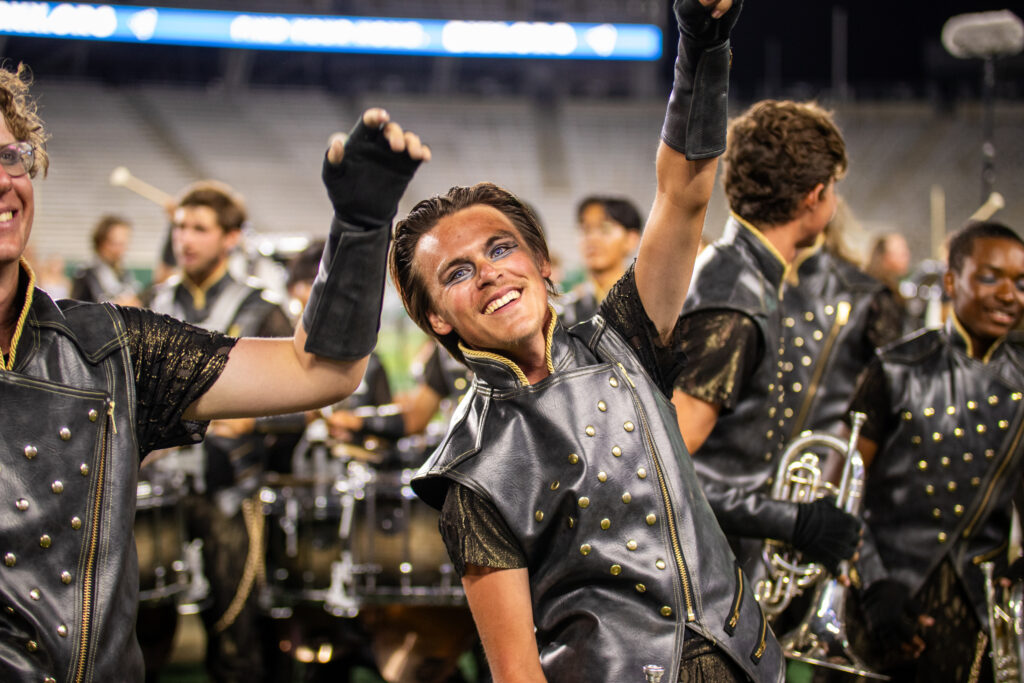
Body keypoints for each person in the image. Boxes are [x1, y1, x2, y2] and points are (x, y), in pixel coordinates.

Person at [0, 60, 429, 683]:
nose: (3, 180)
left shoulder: (112, 346)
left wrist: (361, 229)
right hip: (174, 496)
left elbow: (319, 370)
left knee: (237, 634)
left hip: (229, 498)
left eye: (11, 157)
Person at [398, 1, 785, 680]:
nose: (489, 272)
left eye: (501, 248)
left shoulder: (623, 336)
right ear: (437, 319)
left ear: (543, 264)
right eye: (457, 273)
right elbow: (518, 673)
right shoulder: (470, 471)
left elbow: (685, 196)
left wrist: (702, 49)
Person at [670, 99, 862, 586]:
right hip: (698, 576)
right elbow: (660, 463)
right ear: (814, 197)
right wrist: (790, 520)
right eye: (834, 187)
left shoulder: (745, 276)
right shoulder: (735, 299)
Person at [849, 220, 1024, 682]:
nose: (1009, 295)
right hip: (882, 608)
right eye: (990, 277)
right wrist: (874, 585)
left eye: (1021, 283)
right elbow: (842, 490)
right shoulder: (895, 367)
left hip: (976, 626)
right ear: (951, 281)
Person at [145, 180, 295, 681]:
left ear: (231, 238)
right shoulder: (150, 307)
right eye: (180, 227)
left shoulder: (261, 308)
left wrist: (252, 417)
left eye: (199, 229)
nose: (184, 239)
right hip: (159, 489)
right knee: (141, 635)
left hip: (232, 492)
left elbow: (303, 404)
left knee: (235, 635)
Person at [558, 195, 643, 326]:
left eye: (605, 229)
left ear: (631, 239)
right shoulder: (567, 310)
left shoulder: (645, 304)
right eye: (585, 229)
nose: (592, 238)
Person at [70, 213, 142, 305]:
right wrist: (117, 306)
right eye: (115, 243)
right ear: (101, 242)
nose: (120, 250)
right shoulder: (85, 274)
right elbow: (78, 310)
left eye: (123, 244)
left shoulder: (124, 274)